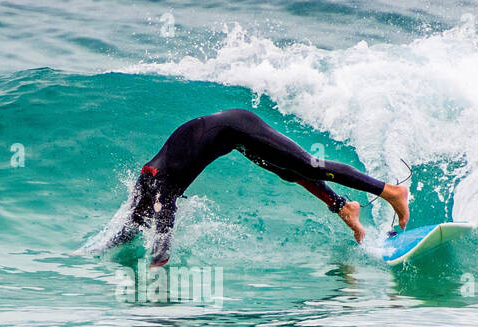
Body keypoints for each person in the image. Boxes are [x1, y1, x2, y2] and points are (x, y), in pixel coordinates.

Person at [99, 109, 409, 265]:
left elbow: (163, 231)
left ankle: (391, 192)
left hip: (238, 126)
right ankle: (345, 208)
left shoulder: (160, 189)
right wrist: (97, 252)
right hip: (229, 138)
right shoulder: (146, 185)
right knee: (288, 173)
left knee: (307, 165)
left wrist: (157, 266)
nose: (143, 217)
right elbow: (129, 227)